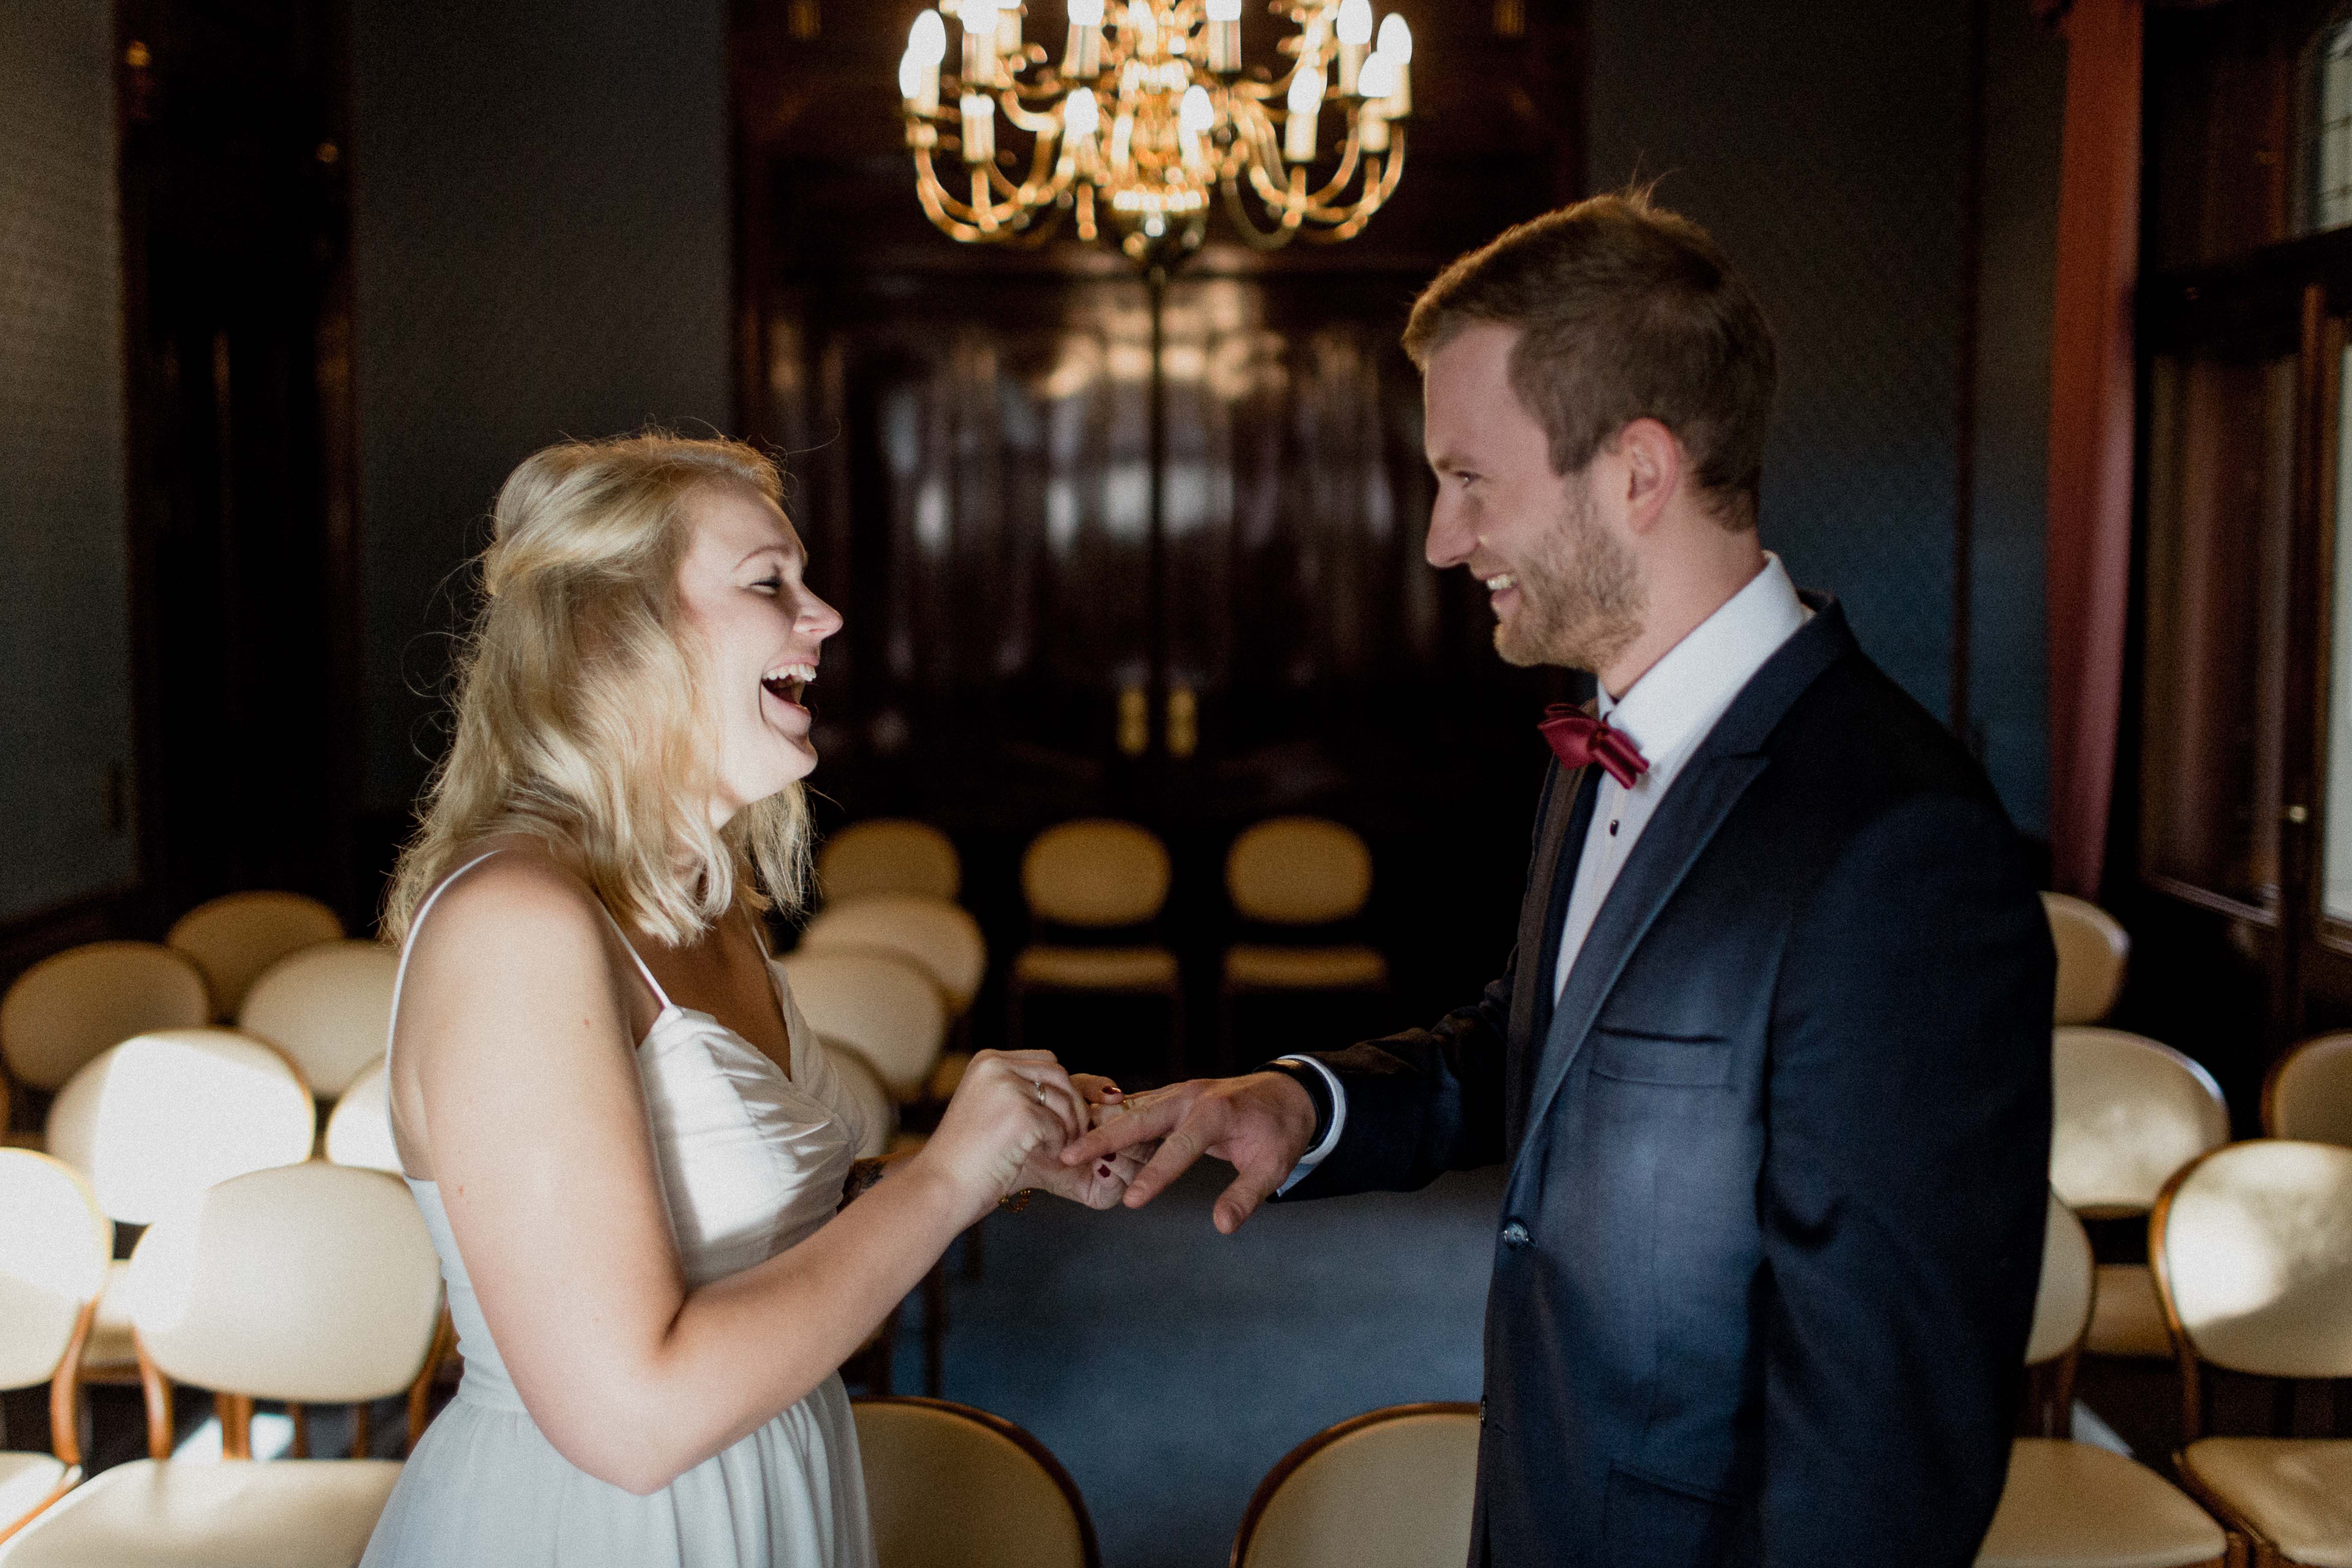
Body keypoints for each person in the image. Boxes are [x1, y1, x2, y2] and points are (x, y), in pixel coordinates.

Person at [1066, 192, 2055, 1565]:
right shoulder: (1603, 743)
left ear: (1635, 473)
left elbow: (1885, 1447)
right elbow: (1542, 1052)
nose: (1438, 538)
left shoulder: (1900, 848)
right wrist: (1301, 1103)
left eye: (1469, 480)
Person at [361, 433, 1137, 1568]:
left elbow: (744, 1234)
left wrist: (997, 1168)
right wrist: (942, 1178)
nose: (821, 618)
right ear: (611, 632)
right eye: (769, 584)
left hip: (770, 1479)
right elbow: (628, 1421)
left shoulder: (703, 903)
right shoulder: (517, 924)